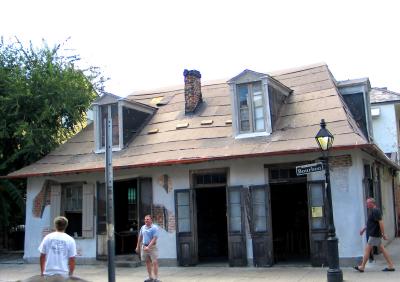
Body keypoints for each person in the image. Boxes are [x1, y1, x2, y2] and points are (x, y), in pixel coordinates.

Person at [354, 198, 395, 272]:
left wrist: (383, 234)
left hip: (374, 234)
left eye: (368, 203)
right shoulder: (373, 211)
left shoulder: (376, 211)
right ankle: (391, 265)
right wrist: (363, 229)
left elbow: (381, 222)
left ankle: (362, 267)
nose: (366, 205)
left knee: (367, 249)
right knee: (382, 249)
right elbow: (371, 223)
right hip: (374, 234)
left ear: (372, 203)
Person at [136, 215, 160, 282]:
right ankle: (150, 277)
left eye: (148, 219)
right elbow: (140, 237)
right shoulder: (143, 227)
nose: (146, 220)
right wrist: (138, 246)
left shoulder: (155, 228)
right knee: (147, 262)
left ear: (151, 220)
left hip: (152, 247)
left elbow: (154, 238)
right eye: (145, 219)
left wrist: (148, 247)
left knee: (155, 262)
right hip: (144, 246)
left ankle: (156, 278)